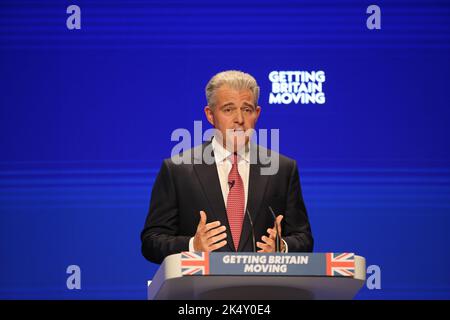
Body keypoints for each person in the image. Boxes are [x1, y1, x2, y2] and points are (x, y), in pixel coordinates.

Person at [141, 70, 313, 264]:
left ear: (257, 114)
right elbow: (151, 241)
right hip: (201, 290)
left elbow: (304, 238)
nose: (239, 119)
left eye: (247, 109)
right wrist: (192, 246)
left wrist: (282, 247)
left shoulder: (282, 169)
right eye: (228, 109)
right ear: (210, 114)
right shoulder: (178, 169)